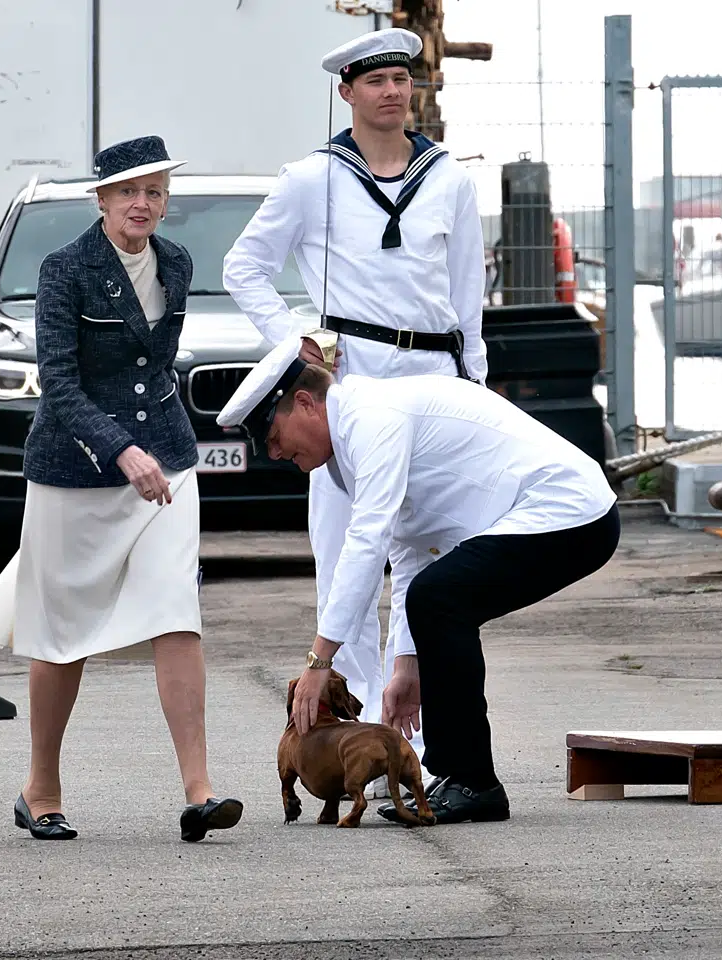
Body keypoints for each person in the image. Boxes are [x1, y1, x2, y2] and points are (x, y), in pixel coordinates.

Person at [222, 26, 488, 796]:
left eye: (402, 78)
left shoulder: (450, 179)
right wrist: (297, 348)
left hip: (433, 372)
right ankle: (361, 745)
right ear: (347, 92)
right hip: (349, 381)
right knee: (349, 558)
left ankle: (425, 748)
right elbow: (245, 266)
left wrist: (474, 384)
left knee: (430, 564)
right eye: (375, 81)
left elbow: (468, 297)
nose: (393, 91)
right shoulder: (312, 178)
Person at [216, 338, 620, 824]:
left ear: (305, 403)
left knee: (442, 597)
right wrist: (408, 664)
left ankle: (473, 781)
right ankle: (460, 776)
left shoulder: (372, 419)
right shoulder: (353, 440)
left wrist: (320, 659)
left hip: (572, 513)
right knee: (440, 595)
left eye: (273, 434)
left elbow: (367, 541)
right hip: (552, 514)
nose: (275, 452)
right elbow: (414, 549)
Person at [3, 135, 242, 843]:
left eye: (156, 191)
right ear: (102, 199)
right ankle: (40, 786)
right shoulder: (64, 269)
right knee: (61, 630)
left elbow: (154, 368)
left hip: (166, 462)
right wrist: (119, 449)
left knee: (177, 610)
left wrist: (152, 450)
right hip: (75, 469)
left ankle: (199, 791)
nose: (143, 203)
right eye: (129, 191)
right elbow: (60, 383)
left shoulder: (177, 261)